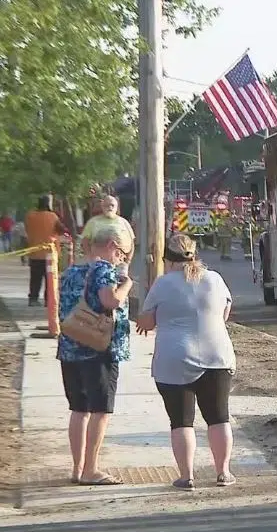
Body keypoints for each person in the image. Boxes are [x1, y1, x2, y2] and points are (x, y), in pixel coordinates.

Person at [135, 234, 238, 491]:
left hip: (175, 358)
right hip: (217, 356)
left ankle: (186, 476)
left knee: (181, 421)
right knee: (219, 417)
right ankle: (223, 472)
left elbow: (147, 322)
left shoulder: (162, 284)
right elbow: (224, 314)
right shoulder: (214, 279)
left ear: (168, 260)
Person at [57, 224, 134, 486]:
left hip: (70, 347)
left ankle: (78, 468)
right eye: (122, 253)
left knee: (79, 409)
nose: (121, 259)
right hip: (98, 350)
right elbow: (110, 301)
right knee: (101, 409)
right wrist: (126, 285)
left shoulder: (72, 270)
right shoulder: (103, 269)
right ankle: (91, 469)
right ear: (112, 245)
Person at [24, 196, 68, 306]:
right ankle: (48, 300)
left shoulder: (30, 216)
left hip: (34, 253)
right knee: (50, 278)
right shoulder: (52, 216)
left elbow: (27, 230)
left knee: (35, 278)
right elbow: (62, 230)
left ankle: (33, 299)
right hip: (50, 253)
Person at [82, 195, 136, 276]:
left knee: (121, 283)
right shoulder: (93, 222)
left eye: (112, 205)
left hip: (119, 264)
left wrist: (127, 261)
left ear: (116, 207)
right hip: (98, 264)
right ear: (102, 207)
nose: (110, 207)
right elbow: (85, 241)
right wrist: (90, 258)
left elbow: (131, 243)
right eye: (107, 205)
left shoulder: (124, 222)